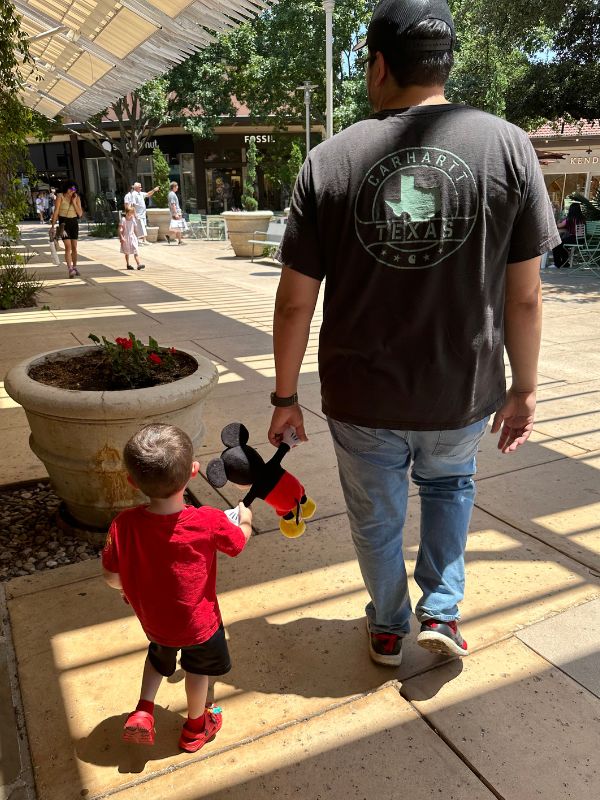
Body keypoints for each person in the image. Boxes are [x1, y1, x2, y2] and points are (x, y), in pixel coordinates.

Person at [268, 0, 560, 667]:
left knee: (376, 516)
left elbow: (293, 304)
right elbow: (526, 294)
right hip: (458, 386)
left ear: (377, 65)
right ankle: (441, 612)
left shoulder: (329, 161)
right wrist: (526, 389)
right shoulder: (508, 147)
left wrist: (284, 397)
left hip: (360, 392)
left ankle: (388, 626)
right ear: (446, 61)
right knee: (450, 488)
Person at [102, 423, 252, 751]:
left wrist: (128, 588)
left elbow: (112, 577)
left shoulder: (123, 524)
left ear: (132, 481)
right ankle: (196, 728)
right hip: (200, 625)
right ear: (193, 472)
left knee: (157, 659)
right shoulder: (209, 521)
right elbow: (237, 544)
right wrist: (246, 520)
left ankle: (143, 710)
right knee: (198, 671)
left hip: (155, 622)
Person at [50, 181, 83, 278]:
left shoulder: (76, 197)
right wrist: (52, 225)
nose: (71, 191)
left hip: (74, 223)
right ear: (66, 188)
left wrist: (74, 202)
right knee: (68, 246)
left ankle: (75, 266)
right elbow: (56, 211)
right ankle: (70, 269)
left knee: (74, 247)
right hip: (64, 224)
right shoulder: (60, 196)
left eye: (74, 189)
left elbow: (80, 214)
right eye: (70, 189)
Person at [551, 202, 585, 268]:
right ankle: (565, 263)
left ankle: (557, 264)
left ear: (571, 210)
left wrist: (557, 219)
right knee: (562, 245)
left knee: (556, 244)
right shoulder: (582, 219)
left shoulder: (569, 219)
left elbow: (558, 226)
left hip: (574, 239)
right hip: (582, 240)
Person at [119, 205, 145, 271]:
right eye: (130, 212)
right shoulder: (123, 219)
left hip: (132, 237)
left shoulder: (133, 218)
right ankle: (128, 264)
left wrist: (137, 237)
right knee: (127, 252)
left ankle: (138, 264)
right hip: (126, 237)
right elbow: (120, 229)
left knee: (135, 250)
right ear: (127, 212)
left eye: (132, 212)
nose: (131, 214)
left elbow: (135, 228)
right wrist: (121, 237)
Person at [167, 181, 186, 245]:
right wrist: (176, 213)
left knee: (177, 227)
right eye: (177, 186)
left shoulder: (172, 194)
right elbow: (173, 204)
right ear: (174, 187)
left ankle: (170, 237)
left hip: (176, 212)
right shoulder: (172, 194)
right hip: (176, 212)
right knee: (178, 227)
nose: (178, 187)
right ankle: (179, 241)